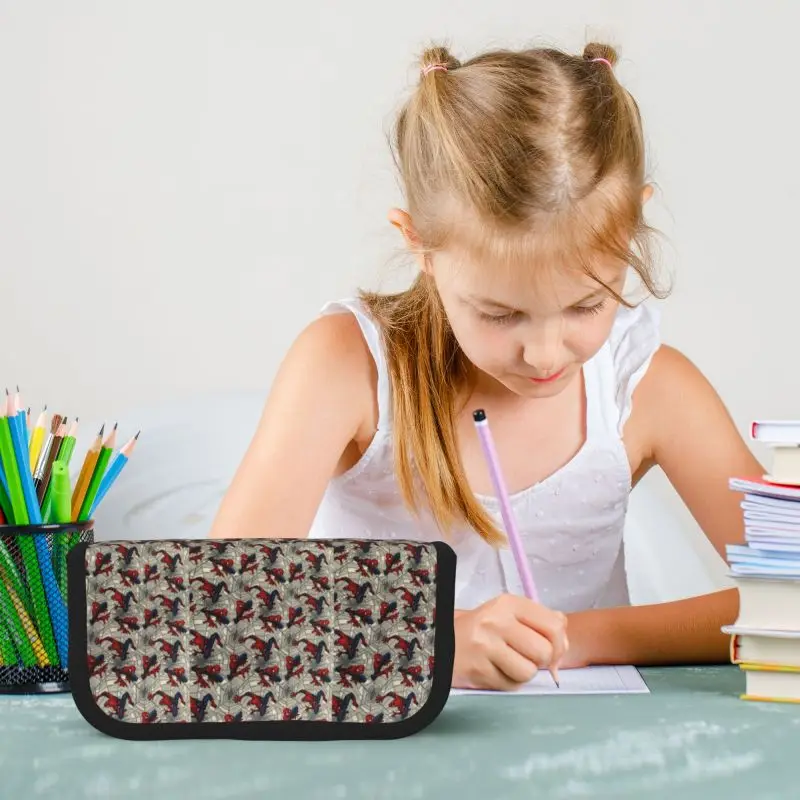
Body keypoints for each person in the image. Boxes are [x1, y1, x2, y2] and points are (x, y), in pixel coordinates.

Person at [209, 40, 762, 690]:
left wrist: (576, 638)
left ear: (635, 225)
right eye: (501, 315)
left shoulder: (649, 387)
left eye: (587, 304)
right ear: (418, 243)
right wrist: (426, 641)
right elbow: (218, 611)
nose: (545, 354)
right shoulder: (346, 368)